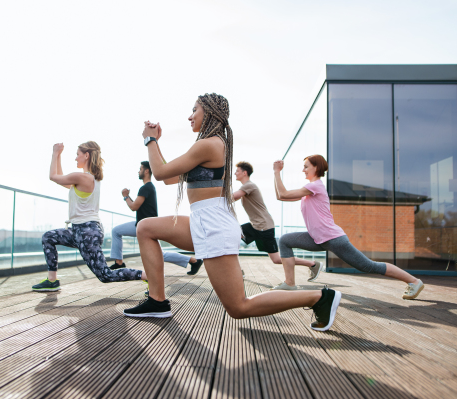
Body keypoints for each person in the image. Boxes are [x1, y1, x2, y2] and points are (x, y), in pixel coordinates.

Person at [122, 93, 341, 333]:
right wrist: (156, 142)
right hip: (203, 220)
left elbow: (160, 172)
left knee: (238, 307)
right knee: (146, 228)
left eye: (194, 110)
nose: (189, 116)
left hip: (213, 225)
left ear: (209, 113)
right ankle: (157, 300)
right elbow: (168, 177)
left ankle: (319, 297)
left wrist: (150, 140)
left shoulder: (210, 144)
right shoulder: (211, 146)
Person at [273, 155, 424, 300]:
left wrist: (277, 172)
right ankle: (290, 283)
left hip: (333, 238)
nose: (303, 170)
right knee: (285, 240)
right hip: (317, 238)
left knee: (368, 266)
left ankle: (414, 282)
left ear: (316, 167)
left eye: (306, 167)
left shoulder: (315, 186)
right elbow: (280, 196)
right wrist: (276, 175)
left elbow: (284, 193)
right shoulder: (310, 190)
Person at [32, 141, 147, 292]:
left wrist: (55, 153)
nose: (75, 158)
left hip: (87, 233)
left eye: (77, 155)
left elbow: (53, 176)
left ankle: (148, 276)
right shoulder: (87, 178)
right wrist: (59, 155)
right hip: (80, 230)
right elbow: (60, 178)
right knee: (48, 237)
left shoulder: (83, 178)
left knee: (106, 275)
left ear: (86, 155)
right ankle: (52, 281)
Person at [110, 160, 203, 275]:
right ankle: (119, 262)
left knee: (158, 253)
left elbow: (134, 206)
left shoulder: (146, 187)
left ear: (146, 171)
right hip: (140, 224)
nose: (138, 171)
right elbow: (137, 206)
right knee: (116, 231)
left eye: (140, 169)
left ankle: (194, 261)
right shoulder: (149, 187)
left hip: (147, 226)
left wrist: (126, 196)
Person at [233, 161, 282, 266]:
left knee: (277, 259)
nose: (235, 173)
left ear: (244, 173)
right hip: (255, 225)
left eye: (237, 171)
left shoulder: (249, 185)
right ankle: (236, 269)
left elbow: (232, 197)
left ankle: (312, 264)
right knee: (233, 234)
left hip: (264, 226)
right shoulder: (246, 187)